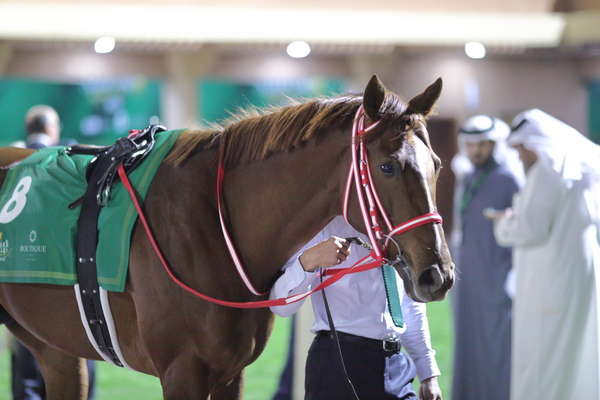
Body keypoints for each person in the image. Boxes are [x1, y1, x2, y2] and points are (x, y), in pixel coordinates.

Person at [490, 109, 600, 400]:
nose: (520, 156)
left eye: (521, 149)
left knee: (545, 351)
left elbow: (530, 228)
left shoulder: (548, 171)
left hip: (552, 281)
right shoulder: (576, 169)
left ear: (534, 145)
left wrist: (503, 222)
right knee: (574, 349)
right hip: (574, 275)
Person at [270, 216, 443, 400]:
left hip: (396, 366)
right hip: (339, 366)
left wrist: (428, 374)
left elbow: (409, 304)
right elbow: (280, 306)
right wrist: (308, 261)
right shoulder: (321, 225)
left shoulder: (396, 226)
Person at [11, 104, 96, 400]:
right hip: (64, 271)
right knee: (80, 353)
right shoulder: (68, 156)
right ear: (51, 128)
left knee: (28, 360)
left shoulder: (10, 156)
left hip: (18, 272)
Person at [449, 116, 521, 400]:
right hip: (468, 282)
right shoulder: (469, 177)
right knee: (468, 347)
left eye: (482, 144)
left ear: (494, 145)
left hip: (496, 281)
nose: (475, 151)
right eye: (470, 144)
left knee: (495, 347)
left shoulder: (507, 178)